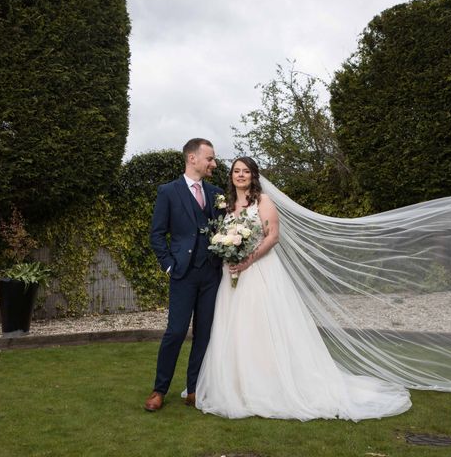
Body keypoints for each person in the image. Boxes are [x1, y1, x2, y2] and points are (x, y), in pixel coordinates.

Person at [194, 157, 412, 421]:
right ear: (231, 176)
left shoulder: (262, 201)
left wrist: (247, 260)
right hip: (232, 279)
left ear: (254, 175)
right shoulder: (226, 205)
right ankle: (237, 386)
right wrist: (229, 252)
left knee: (262, 327)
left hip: (260, 272)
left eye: (246, 172)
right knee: (237, 327)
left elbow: (273, 236)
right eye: (236, 171)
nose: (240, 176)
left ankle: (270, 384)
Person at [144, 138, 224, 412]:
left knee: (204, 334)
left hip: (212, 274)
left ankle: (194, 389)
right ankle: (159, 389)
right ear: (193, 158)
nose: (213, 163)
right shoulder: (168, 191)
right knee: (176, 332)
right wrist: (168, 264)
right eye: (209, 158)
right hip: (183, 274)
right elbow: (157, 234)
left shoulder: (216, 193)